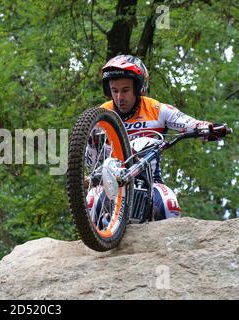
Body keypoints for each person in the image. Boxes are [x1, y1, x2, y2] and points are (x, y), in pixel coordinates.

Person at [86, 54, 214, 221]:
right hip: (111, 183)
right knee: (91, 201)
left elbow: (189, 122)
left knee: (170, 204)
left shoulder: (157, 109)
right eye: (114, 91)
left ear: (139, 88)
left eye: (125, 90)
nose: (119, 97)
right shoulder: (101, 114)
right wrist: (91, 142)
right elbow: (90, 164)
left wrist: (208, 128)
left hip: (151, 181)